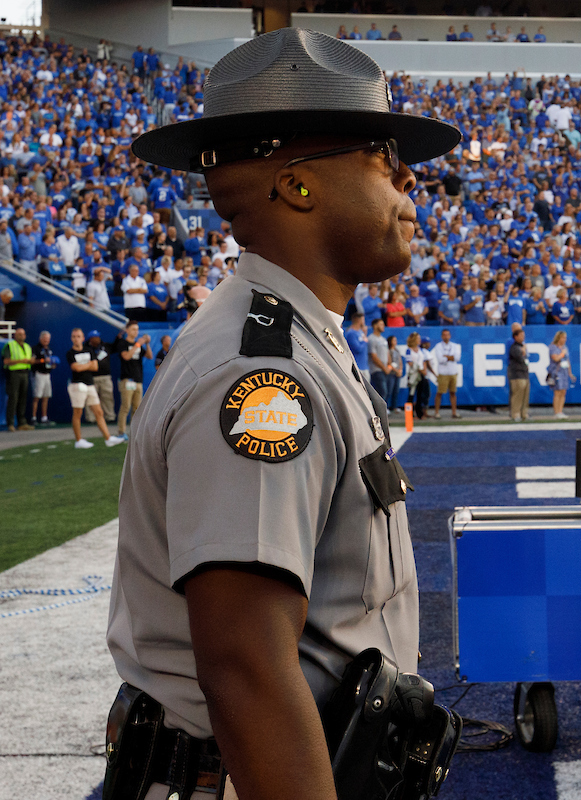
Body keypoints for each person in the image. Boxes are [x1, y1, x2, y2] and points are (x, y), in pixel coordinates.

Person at [106, 30, 461, 800]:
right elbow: (247, 666)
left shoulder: (301, 341)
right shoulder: (265, 373)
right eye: (379, 151)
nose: (408, 176)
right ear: (298, 187)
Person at [64, 328, 124, 449]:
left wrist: (83, 366)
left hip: (89, 384)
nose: (76, 338)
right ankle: (79, 440)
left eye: (78, 336)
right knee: (78, 413)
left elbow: (95, 367)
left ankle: (108, 438)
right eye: (74, 336)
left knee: (99, 412)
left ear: (83, 338)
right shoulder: (70, 353)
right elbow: (76, 368)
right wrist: (88, 365)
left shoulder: (88, 350)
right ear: (71, 338)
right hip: (77, 385)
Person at [115, 320, 152, 437]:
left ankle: (134, 432)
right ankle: (121, 432)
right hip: (127, 379)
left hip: (138, 379)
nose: (136, 332)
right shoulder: (123, 344)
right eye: (133, 329)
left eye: (137, 329)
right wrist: (137, 345)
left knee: (137, 408)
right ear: (127, 330)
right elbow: (126, 357)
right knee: (125, 407)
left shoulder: (139, 345)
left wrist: (146, 343)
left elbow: (149, 356)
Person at [3, 326, 34, 430]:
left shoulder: (27, 346)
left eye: (23, 334)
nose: (22, 336)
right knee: (13, 398)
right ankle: (10, 423)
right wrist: (21, 361)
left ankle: (22, 423)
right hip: (14, 374)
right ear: (15, 335)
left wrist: (31, 361)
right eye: (19, 334)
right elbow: (6, 361)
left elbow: (30, 360)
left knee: (23, 398)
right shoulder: (10, 345)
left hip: (25, 373)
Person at [85, 330, 116, 425]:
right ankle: (91, 418)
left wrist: (118, 338)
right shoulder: (85, 348)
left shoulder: (105, 346)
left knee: (107, 398)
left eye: (98, 337)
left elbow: (116, 347)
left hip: (105, 376)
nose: (97, 339)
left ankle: (110, 417)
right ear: (90, 339)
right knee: (91, 399)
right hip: (91, 377)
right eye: (94, 337)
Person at [433, 328, 462, 419]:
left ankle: (454, 412)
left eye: (447, 334)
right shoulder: (438, 346)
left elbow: (457, 358)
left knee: (453, 392)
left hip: (453, 371)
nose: (446, 336)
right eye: (444, 335)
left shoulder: (454, 346)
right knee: (440, 392)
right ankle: (437, 412)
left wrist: (446, 357)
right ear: (442, 336)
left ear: (450, 336)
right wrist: (450, 357)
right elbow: (440, 359)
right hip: (443, 372)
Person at [548, 329, 573, 419]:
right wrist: (562, 354)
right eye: (563, 337)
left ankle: (560, 411)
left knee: (563, 391)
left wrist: (570, 373)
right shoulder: (553, 347)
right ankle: (556, 412)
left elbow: (567, 361)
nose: (565, 339)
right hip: (556, 372)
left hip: (564, 372)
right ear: (559, 338)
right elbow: (556, 358)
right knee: (557, 392)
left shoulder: (565, 347)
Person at [30, 330, 55, 424]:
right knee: (37, 396)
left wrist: (53, 364)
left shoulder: (49, 349)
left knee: (46, 396)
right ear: (40, 339)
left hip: (47, 374)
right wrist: (43, 360)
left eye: (48, 339)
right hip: (38, 374)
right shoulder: (35, 348)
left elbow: (50, 362)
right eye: (45, 339)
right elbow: (32, 361)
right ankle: (33, 417)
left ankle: (44, 417)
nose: (46, 340)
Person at [507, 327, 529, 421]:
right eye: (521, 335)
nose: (523, 337)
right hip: (516, 374)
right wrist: (523, 350)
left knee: (525, 395)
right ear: (515, 336)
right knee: (517, 395)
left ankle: (524, 413)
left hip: (524, 373)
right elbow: (519, 357)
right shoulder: (514, 347)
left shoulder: (521, 346)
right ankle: (515, 414)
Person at [367, 317, 391, 400]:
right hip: (377, 369)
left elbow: (387, 354)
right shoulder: (371, 339)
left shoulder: (383, 339)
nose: (383, 326)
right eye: (381, 324)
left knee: (386, 391)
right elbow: (374, 356)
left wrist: (388, 366)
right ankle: (378, 412)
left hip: (385, 369)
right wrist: (384, 368)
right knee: (382, 391)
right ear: (375, 326)